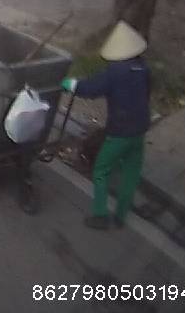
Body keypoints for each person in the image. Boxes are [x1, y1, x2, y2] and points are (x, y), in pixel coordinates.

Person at [61, 21, 151, 229]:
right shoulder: (143, 68)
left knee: (101, 170)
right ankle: (121, 216)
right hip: (140, 131)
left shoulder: (115, 72)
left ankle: (101, 215)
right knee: (131, 173)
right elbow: (146, 94)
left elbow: (90, 88)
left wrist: (70, 84)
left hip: (119, 132)